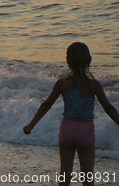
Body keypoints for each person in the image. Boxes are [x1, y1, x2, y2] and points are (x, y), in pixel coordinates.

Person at [23, 42, 119, 186]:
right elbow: (109, 108)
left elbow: (46, 105)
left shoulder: (62, 84)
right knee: (87, 178)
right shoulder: (94, 85)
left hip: (67, 129)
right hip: (85, 131)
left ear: (68, 61)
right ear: (89, 60)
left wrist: (31, 125)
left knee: (65, 175)